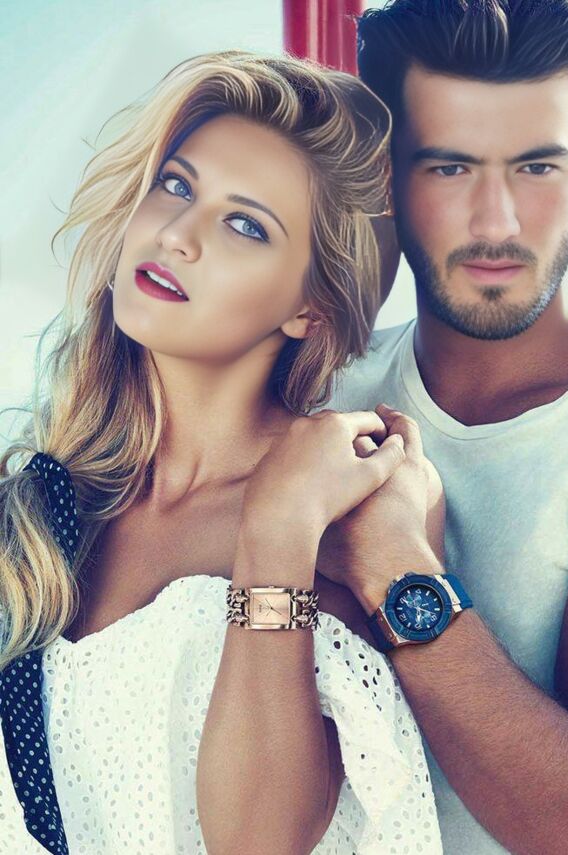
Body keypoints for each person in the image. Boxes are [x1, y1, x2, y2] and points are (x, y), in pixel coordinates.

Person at [0, 51, 443, 854]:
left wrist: (277, 530)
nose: (177, 235)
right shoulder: (38, 503)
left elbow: (260, 840)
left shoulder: (350, 504)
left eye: (245, 225)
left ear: (310, 307)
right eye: (176, 186)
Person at [315, 1, 568, 853]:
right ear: (388, 179)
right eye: (450, 167)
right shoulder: (320, 390)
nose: (497, 222)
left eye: (536, 167)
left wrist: (394, 568)